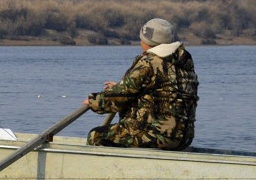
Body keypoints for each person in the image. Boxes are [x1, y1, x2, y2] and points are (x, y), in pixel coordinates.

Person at [83, 18, 198, 150]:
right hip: (182, 138)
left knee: (96, 136)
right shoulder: (182, 62)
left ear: (147, 41)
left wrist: (94, 101)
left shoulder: (149, 62)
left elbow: (122, 95)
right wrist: (118, 86)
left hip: (156, 135)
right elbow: (161, 90)